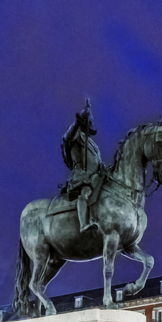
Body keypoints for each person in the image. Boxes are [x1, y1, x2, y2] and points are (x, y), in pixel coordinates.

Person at [60, 99, 103, 232]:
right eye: (89, 120)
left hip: (95, 177)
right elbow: (67, 137)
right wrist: (78, 120)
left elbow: (97, 161)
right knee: (85, 193)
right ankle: (83, 224)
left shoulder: (93, 144)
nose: (91, 122)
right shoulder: (77, 135)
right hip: (82, 176)